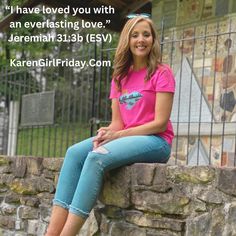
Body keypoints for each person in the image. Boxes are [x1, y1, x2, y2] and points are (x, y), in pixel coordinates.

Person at [45, 14, 175, 236]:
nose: (141, 39)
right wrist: (108, 132)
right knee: (75, 152)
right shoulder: (119, 77)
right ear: (127, 40)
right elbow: (118, 122)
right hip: (126, 136)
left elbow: (160, 123)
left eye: (146, 34)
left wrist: (120, 135)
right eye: (135, 35)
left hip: (156, 141)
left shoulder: (162, 73)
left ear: (153, 40)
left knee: (97, 158)